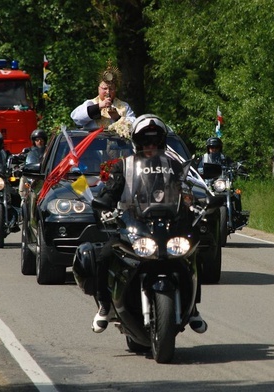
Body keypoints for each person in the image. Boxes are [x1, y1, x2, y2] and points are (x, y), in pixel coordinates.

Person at [85, 114, 207, 334]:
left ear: (161, 143)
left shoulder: (174, 166)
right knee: (103, 256)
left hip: (168, 225)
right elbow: (110, 192)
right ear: (137, 143)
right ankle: (104, 306)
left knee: (193, 254)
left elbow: (187, 190)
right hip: (133, 226)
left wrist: (197, 203)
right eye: (145, 141)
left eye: (155, 141)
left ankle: (193, 308)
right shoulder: (125, 166)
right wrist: (104, 204)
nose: (150, 146)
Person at [70, 61, 136, 130]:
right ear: (99, 89)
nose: (108, 92)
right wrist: (98, 106)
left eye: (111, 89)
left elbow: (134, 125)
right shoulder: (90, 104)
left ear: (115, 89)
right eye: (105, 88)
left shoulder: (124, 106)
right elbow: (76, 118)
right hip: (94, 139)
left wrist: (118, 117)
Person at [18, 129, 48, 198]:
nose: (39, 142)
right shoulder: (28, 150)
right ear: (34, 141)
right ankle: (23, 199)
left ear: (45, 141)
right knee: (23, 178)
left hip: (44, 174)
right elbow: (21, 157)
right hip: (31, 174)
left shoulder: (48, 150)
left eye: (41, 140)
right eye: (37, 140)